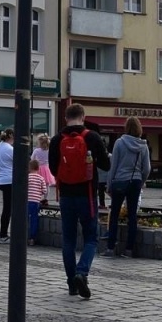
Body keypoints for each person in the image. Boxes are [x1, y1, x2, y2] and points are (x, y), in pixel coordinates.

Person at [50, 103, 111, 299]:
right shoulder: (92, 137)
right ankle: (81, 272)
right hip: (87, 195)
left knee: (68, 240)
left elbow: (52, 169)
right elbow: (106, 165)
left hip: (66, 195)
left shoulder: (57, 139)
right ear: (83, 117)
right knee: (91, 238)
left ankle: (71, 284)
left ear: (66, 118)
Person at [104, 115, 150, 258]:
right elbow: (147, 168)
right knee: (132, 216)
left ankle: (111, 248)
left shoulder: (120, 142)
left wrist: (109, 184)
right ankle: (129, 249)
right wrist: (141, 180)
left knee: (115, 214)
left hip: (119, 181)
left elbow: (114, 166)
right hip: (135, 181)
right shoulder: (143, 145)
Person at [0, 129, 15, 240]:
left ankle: (3, 234)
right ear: (11, 136)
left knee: (7, 208)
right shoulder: (10, 149)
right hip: (9, 180)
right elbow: (21, 162)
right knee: (9, 209)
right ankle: (3, 235)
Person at [26, 158, 47, 244]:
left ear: (29, 168)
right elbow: (44, 191)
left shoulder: (27, 177)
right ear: (38, 168)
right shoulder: (41, 178)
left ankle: (24, 236)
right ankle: (32, 238)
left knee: (25, 219)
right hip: (35, 201)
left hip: (26, 201)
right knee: (34, 219)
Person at [33, 134, 55, 201]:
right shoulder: (49, 150)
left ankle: (37, 198)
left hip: (38, 168)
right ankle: (45, 198)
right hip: (47, 168)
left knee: (38, 184)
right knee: (46, 185)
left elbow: (32, 158)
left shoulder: (36, 151)